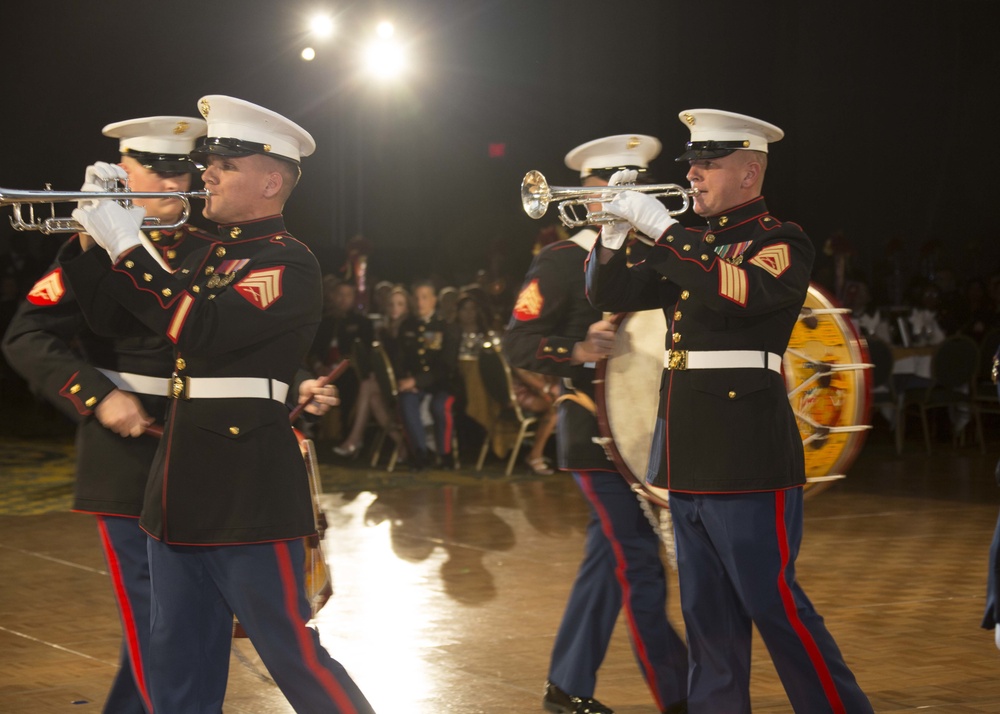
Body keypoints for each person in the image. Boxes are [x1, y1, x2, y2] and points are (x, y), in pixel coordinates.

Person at [59, 95, 374, 713]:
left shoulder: (286, 261)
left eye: (226, 165)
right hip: (176, 490)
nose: (207, 173)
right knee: (178, 661)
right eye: (211, 162)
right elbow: (107, 317)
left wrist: (128, 245)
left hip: (249, 491)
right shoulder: (197, 247)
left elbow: (197, 326)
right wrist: (93, 238)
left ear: (271, 180)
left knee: (291, 653)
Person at [586, 109, 872, 713]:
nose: (693, 175)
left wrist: (663, 231)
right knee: (707, 621)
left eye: (707, 164)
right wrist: (613, 235)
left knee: (775, 606)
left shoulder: (779, 241)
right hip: (686, 450)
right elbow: (611, 295)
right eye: (691, 164)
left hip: (747, 455)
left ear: (750, 171)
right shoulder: (693, 243)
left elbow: (739, 294)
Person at [2, 114, 214, 714]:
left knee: (188, 614)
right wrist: (97, 396)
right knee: (158, 618)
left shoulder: (215, 250)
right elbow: (26, 337)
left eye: (184, 171)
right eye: (160, 170)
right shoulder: (87, 251)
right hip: (128, 459)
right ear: (123, 172)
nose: (176, 185)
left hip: (204, 450)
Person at [504, 134, 688, 714]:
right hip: (592, 435)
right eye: (612, 187)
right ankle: (682, 698)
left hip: (651, 435)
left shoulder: (660, 256)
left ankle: (567, 686)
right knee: (638, 566)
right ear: (589, 192)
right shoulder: (561, 261)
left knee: (609, 560)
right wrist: (577, 349)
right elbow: (517, 341)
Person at [334, 284, 412, 459]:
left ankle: (355, 439)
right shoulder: (383, 332)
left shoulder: (410, 329)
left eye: (400, 304)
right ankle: (401, 444)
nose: (394, 308)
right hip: (389, 382)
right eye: (391, 304)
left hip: (405, 382)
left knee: (368, 387)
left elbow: (406, 363)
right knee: (374, 399)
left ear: (407, 307)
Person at [396, 279, 461, 470]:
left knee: (440, 406)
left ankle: (446, 454)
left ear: (434, 300)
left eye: (424, 298)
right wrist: (406, 379)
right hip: (414, 384)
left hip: (442, 383)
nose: (420, 303)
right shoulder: (407, 326)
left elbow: (446, 366)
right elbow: (399, 359)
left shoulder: (445, 327)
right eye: (416, 298)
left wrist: (417, 380)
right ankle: (420, 453)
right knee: (406, 401)